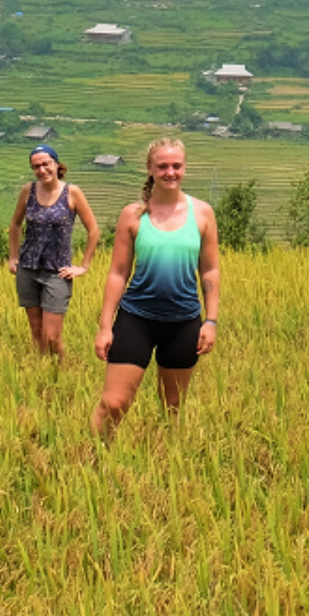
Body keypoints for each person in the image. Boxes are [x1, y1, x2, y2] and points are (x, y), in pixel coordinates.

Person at [91, 139, 221, 438]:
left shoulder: (202, 213)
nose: (170, 172)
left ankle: (167, 465)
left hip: (183, 321)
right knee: (114, 403)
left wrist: (211, 321)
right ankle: (94, 461)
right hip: (137, 318)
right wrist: (105, 326)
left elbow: (210, 271)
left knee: (173, 406)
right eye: (162, 166)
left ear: (185, 168)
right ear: (149, 169)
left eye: (176, 166)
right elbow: (118, 273)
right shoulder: (134, 215)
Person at [5, 144, 100, 358]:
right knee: (37, 333)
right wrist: (13, 256)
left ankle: (62, 374)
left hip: (58, 271)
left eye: (46, 164)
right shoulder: (28, 191)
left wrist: (83, 266)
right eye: (36, 166)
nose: (41, 170)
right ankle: (43, 375)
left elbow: (93, 230)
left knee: (52, 336)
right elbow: (15, 225)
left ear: (57, 164)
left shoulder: (72, 193)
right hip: (27, 269)